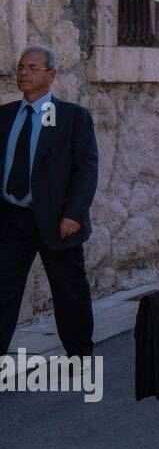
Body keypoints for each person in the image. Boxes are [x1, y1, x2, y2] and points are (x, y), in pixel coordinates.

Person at [0, 45, 99, 361]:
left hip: (59, 221)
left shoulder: (73, 118)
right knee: (3, 292)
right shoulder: (4, 116)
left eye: (32, 67)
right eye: (20, 67)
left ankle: (80, 357)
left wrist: (74, 213)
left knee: (69, 293)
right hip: (12, 219)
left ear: (52, 75)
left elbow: (87, 170)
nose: (23, 73)